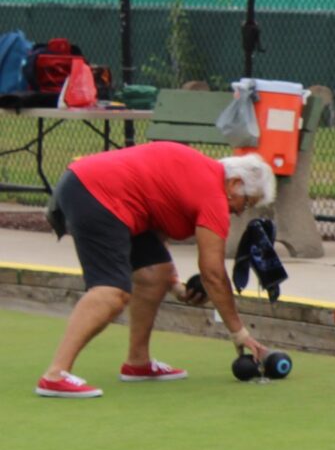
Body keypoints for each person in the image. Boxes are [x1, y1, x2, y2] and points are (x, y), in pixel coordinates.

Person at [37, 143, 278, 398]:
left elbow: (156, 217)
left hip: (91, 186)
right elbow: (214, 274)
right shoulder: (214, 196)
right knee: (112, 292)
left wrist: (172, 282)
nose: (241, 212)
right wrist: (239, 334)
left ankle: (138, 363)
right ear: (234, 184)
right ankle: (56, 374)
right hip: (97, 194)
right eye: (246, 202)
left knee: (156, 274)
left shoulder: (199, 174)